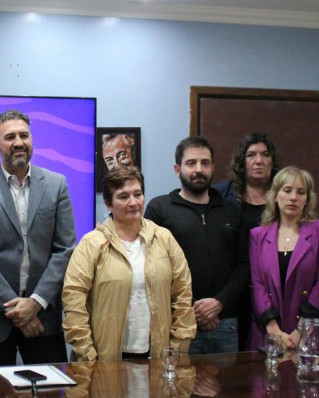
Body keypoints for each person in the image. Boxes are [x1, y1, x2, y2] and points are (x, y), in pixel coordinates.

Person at [0, 109, 76, 366]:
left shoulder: (57, 185)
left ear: (31, 139)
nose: (18, 142)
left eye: (24, 135)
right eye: (10, 137)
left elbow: (65, 249)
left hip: (43, 317)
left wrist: (35, 303)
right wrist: (19, 312)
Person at [63, 167, 196, 361]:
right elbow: (73, 299)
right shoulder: (91, 243)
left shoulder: (164, 238)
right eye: (123, 196)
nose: (133, 202)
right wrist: (87, 353)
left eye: (138, 194)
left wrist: (177, 348)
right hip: (105, 357)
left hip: (157, 355)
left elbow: (183, 294)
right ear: (109, 204)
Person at [145, 137, 249, 355]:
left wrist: (218, 303)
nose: (199, 169)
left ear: (212, 167)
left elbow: (244, 265)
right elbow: (152, 268)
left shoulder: (233, 210)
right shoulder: (159, 209)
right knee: (180, 387)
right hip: (178, 322)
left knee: (227, 388)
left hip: (225, 322)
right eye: (191, 163)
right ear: (177, 169)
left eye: (205, 163)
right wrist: (192, 309)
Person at [248, 166, 319, 350]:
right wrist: (273, 329)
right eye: (287, 190)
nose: (293, 197)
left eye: (301, 192)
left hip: (311, 332)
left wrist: (301, 331)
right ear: (275, 195)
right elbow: (256, 284)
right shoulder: (258, 235)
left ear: (308, 199)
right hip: (268, 332)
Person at [213, 132, 280, 349]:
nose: (259, 160)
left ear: (272, 161)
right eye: (251, 155)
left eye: (265, 154)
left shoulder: (285, 196)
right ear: (242, 161)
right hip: (233, 291)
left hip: (272, 288)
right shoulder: (221, 194)